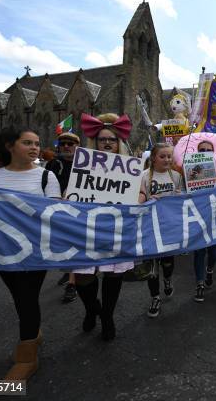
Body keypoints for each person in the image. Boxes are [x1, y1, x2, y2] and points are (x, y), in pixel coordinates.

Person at [0, 126, 61, 381]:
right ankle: (33, 334)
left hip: (35, 250)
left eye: (37, 143)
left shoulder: (46, 178)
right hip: (3, 250)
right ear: (10, 146)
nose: (34, 148)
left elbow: (55, 214)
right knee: (19, 297)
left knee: (27, 297)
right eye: (27, 143)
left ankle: (27, 356)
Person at [72, 112, 134, 341]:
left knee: (113, 276)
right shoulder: (82, 163)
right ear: (95, 142)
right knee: (82, 275)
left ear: (119, 143)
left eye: (112, 139)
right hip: (86, 228)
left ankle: (107, 316)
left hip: (115, 229)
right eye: (102, 139)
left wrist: (140, 195)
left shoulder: (129, 167)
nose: (107, 143)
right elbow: (72, 192)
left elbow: (140, 190)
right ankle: (92, 308)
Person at [138, 142, 183, 316]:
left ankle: (168, 279)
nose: (166, 159)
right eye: (162, 156)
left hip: (168, 227)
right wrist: (149, 199)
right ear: (153, 158)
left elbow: (184, 199)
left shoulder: (177, 176)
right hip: (149, 227)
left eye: (169, 156)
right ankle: (155, 297)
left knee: (167, 262)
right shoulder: (143, 176)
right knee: (152, 266)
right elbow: (137, 200)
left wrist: (180, 196)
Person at [192, 140, 216, 302]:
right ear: (197, 151)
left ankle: (210, 269)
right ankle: (199, 284)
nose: (205, 152)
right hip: (197, 219)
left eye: (209, 150)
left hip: (215, 220)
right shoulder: (190, 171)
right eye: (202, 149)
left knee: (214, 252)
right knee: (199, 252)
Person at [46, 132, 81, 303]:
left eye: (70, 143)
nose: (66, 146)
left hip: (79, 212)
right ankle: (69, 272)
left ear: (77, 146)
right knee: (63, 245)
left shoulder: (85, 163)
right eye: (63, 144)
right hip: (58, 211)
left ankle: (72, 284)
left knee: (74, 245)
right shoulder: (52, 164)